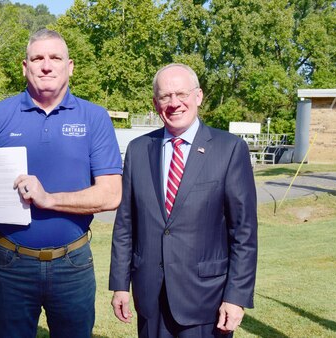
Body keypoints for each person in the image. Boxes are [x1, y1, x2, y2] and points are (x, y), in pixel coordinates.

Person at [0, 29, 122, 337]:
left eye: (55, 58)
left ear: (70, 66)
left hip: (72, 263)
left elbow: (111, 194)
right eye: (37, 58)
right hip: (10, 263)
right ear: (24, 67)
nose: (46, 65)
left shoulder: (94, 117)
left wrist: (48, 198)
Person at [109, 63, 258, 337]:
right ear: (155, 103)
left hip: (206, 300)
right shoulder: (138, 150)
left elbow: (243, 232)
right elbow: (125, 225)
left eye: (181, 94)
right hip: (150, 297)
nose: (174, 103)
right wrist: (120, 284)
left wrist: (236, 297)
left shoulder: (229, 150)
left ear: (198, 96)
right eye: (165, 96)